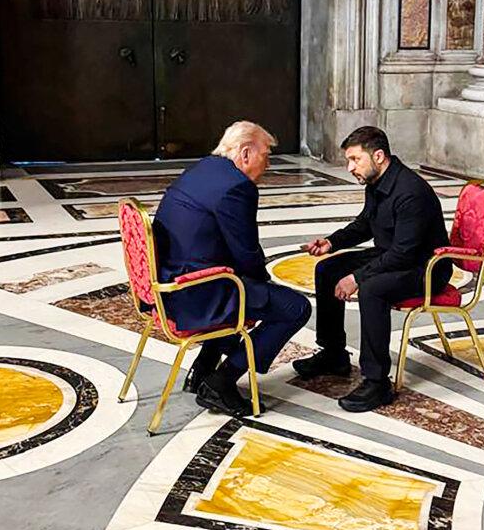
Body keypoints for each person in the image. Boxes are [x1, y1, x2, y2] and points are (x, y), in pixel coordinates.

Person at [153, 121, 311, 417]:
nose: (268, 164)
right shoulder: (237, 187)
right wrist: (266, 289)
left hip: (170, 284)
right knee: (294, 307)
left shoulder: (203, 169)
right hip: (196, 293)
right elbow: (247, 252)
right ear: (246, 153)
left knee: (245, 288)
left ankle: (201, 369)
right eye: (266, 155)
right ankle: (221, 381)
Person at [294, 126, 450, 412]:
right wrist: (332, 242)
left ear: (378, 156)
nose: (350, 167)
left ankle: (377, 382)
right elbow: (365, 224)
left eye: (355, 159)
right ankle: (333, 354)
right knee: (327, 270)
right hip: (393, 255)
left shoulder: (410, 192)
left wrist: (357, 277)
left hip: (425, 268)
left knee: (373, 289)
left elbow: (405, 254)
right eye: (349, 161)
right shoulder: (377, 182)